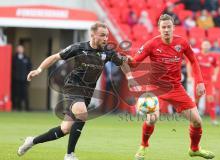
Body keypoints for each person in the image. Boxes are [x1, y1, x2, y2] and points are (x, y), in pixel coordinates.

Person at [17, 22, 134, 160]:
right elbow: (55, 57)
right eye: (102, 35)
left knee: (64, 129)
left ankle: (31, 141)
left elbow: (123, 63)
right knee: (82, 113)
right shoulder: (79, 48)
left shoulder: (108, 52)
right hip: (73, 86)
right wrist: (39, 70)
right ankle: (69, 155)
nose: (105, 38)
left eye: (107, 36)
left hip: (87, 92)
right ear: (93, 35)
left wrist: (130, 77)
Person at [127, 14, 215, 160]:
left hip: (175, 87)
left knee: (197, 121)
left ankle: (194, 149)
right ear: (159, 29)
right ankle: (143, 146)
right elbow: (135, 63)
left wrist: (199, 81)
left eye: (169, 27)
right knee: (152, 118)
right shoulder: (151, 44)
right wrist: (129, 60)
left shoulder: (182, 42)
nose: (166, 30)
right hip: (156, 86)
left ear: (174, 28)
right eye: (163, 27)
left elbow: (193, 61)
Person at [193, 40, 220, 125]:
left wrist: (215, 75)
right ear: (201, 45)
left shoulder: (212, 56)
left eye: (208, 44)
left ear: (210, 46)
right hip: (199, 81)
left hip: (209, 81)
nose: (206, 46)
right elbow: (190, 64)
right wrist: (190, 76)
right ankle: (194, 118)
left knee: (210, 98)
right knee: (197, 99)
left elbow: (217, 66)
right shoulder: (197, 55)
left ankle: (213, 119)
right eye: (205, 44)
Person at [12, 44, 32, 111]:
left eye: (21, 48)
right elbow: (12, 68)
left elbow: (29, 68)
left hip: (24, 79)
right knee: (17, 94)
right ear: (17, 50)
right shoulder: (14, 58)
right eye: (19, 48)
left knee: (25, 94)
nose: (20, 50)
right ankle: (18, 107)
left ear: (23, 50)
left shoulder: (26, 58)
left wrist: (28, 77)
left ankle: (27, 108)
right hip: (16, 80)